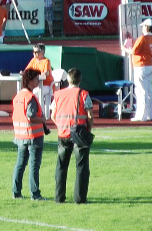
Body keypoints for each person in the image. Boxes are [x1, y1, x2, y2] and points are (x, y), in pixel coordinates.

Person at [51, 68, 93, 204]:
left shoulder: (58, 94)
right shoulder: (83, 94)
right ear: (80, 80)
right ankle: (80, 198)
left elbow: (52, 115)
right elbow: (90, 115)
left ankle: (59, 197)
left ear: (67, 79)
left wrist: (60, 125)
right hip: (79, 132)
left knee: (61, 165)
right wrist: (88, 128)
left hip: (63, 132)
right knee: (81, 166)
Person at [11, 68, 46, 201]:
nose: (38, 81)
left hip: (20, 135)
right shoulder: (30, 97)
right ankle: (35, 193)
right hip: (33, 135)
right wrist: (42, 119)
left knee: (20, 164)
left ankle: (16, 191)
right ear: (30, 80)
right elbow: (30, 116)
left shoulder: (18, 96)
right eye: (37, 78)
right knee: (34, 166)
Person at [122, 18, 152, 122]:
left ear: (146, 27)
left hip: (141, 66)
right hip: (149, 65)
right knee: (148, 91)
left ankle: (141, 116)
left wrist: (124, 49)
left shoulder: (142, 38)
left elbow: (133, 51)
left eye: (143, 26)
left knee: (141, 91)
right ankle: (149, 114)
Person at [25, 43, 54, 114]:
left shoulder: (46, 61)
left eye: (36, 52)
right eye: (33, 52)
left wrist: (37, 75)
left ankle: (38, 112)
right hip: (36, 84)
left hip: (46, 85)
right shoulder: (33, 60)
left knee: (35, 93)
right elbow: (27, 70)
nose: (34, 54)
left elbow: (46, 72)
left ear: (42, 52)